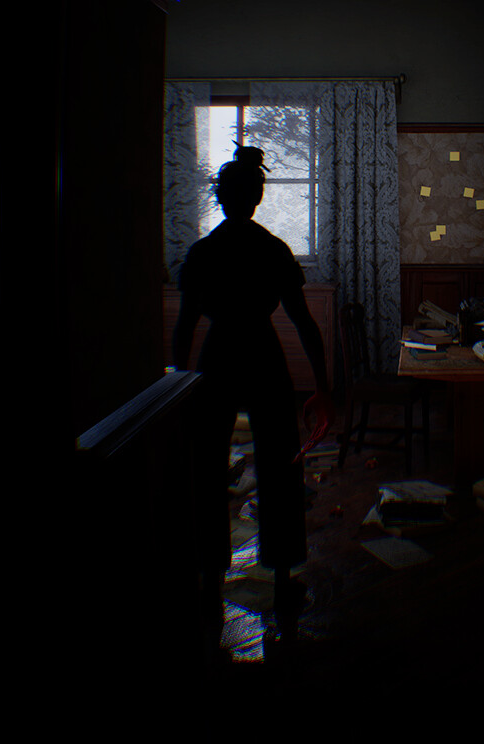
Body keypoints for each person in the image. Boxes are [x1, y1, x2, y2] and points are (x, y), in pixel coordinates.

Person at [172, 146, 333, 643]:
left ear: (221, 198)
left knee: (207, 468)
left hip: (218, 357)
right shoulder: (272, 249)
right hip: (263, 356)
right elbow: (303, 323)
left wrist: (178, 383)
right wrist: (324, 386)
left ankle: (209, 580)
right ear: (258, 197)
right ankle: (282, 578)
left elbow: (184, 328)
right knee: (280, 464)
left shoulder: (203, 252)